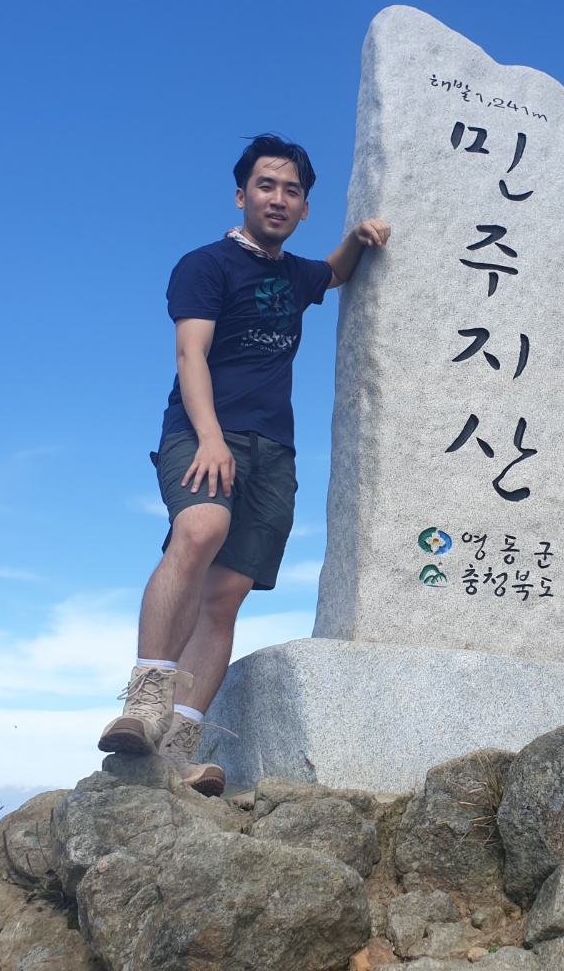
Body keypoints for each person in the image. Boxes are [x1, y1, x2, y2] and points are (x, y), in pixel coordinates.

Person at [97, 134, 390, 795]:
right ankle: (143, 703)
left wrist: (357, 238)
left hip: (273, 450)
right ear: (241, 195)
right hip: (203, 432)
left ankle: (177, 750)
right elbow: (190, 355)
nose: (278, 199)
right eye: (266, 186)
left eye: (292, 191)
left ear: (304, 207)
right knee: (199, 530)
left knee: (225, 597)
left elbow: (334, 273)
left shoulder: (295, 275)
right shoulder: (206, 265)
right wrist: (210, 438)